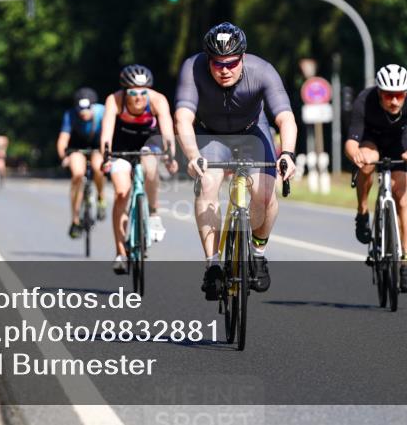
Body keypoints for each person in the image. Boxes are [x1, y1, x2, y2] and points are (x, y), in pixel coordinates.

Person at [174, 22, 297, 299]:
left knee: (264, 195)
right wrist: (193, 156)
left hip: (252, 131)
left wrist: (287, 153)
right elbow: (183, 117)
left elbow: (285, 117)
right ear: (208, 60)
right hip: (210, 134)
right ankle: (213, 264)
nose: (225, 70)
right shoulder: (192, 69)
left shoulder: (262, 71)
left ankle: (258, 253)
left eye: (231, 63)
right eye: (217, 64)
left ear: (242, 57)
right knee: (208, 184)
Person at [345, 64, 407, 293]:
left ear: (406, 93)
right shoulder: (364, 100)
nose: (394, 101)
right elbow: (351, 141)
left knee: (401, 196)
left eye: (399, 95)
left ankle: (406, 262)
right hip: (371, 140)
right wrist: (356, 155)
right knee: (368, 162)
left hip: (399, 144)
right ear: (379, 92)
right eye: (389, 95)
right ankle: (362, 211)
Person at [100, 65, 178, 275]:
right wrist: (106, 157)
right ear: (126, 91)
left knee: (149, 162)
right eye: (133, 92)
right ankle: (120, 252)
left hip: (148, 143)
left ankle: (153, 213)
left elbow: (167, 131)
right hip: (121, 148)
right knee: (121, 193)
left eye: (143, 92)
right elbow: (106, 132)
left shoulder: (158, 100)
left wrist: (170, 155)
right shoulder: (114, 100)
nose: (138, 97)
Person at [57, 88, 107, 238]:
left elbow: (108, 136)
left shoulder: (102, 113)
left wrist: (107, 154)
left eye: (87, 109)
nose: (83, 113)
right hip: (77, 148)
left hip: (98, 147)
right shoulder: (70, 115)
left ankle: (101, 198)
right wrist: (63, 157)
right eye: (80, 109)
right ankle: (75, 219)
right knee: (77, 175)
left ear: (93, 106)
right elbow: (63, 139)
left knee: (99, 168)